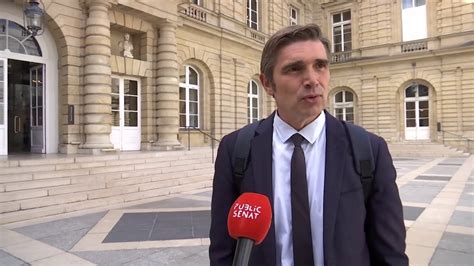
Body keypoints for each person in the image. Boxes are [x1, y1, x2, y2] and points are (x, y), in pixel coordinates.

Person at [209, 24, 408, 266]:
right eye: (294, 69)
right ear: (267, 84)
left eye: (320, 66)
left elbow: (391, 253)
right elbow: (222, 248)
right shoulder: (236, 149)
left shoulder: (368, 149)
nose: (313, 80)